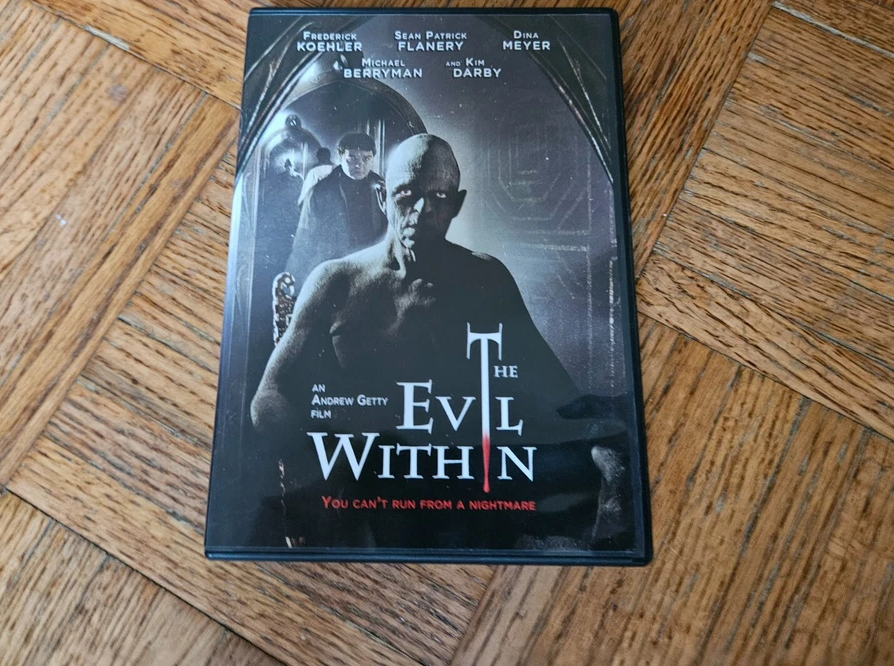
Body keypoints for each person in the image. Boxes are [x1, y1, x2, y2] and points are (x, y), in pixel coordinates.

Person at [253, 134, 629, 549]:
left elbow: (555, 389)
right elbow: (269, 395)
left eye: (439, 197)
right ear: (382, 197)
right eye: (407, 194)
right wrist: (327, 462)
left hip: (461, 485)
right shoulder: (335, 281)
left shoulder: (485, 278)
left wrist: (604, 447)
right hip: (365, 487)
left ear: (457, 203)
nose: (423, 211)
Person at [285, 132, 386, 285]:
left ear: (373, 158)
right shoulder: (320, 191)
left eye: (366, 158)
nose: (359, 165)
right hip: (333, 271)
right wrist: (291, 282)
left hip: (373, 270)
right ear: (340, 156)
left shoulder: (383, 187)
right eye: (352, 158)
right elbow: (303, 241)